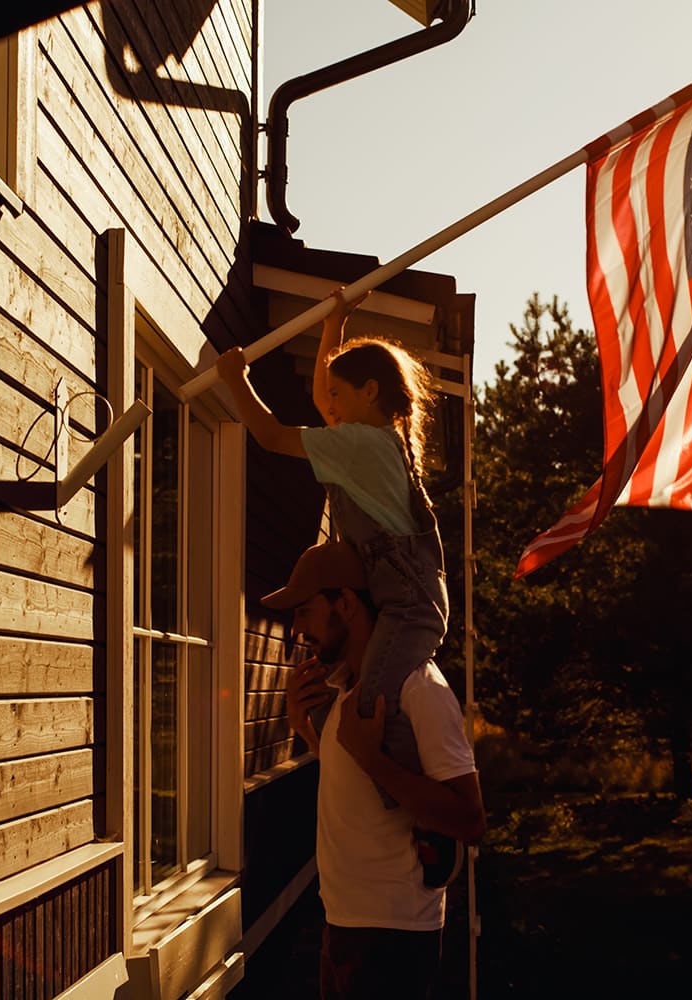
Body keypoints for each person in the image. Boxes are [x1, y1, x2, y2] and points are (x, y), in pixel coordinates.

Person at [215, 291, 449, 799]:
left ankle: (407, 802)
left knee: (375, 705)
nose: (330, 407)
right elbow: (324, 398)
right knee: (350, 692)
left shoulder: (360, 445)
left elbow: (273, 436)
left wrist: (236, 379)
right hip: (405, 597)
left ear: (369, 392)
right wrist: (335, 321)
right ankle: (365, 776)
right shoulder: (375, 440)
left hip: (409, 605)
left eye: (340, 396)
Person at [263, 540, 485, 1000]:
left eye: (305, 611)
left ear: (345, 603)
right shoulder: (347, 690)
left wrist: (372, 759)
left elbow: (470, 819)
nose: (296, 628)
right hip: (344, 924)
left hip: (392, 936)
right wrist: (304, 730)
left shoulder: (419, 687)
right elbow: (362, 791)